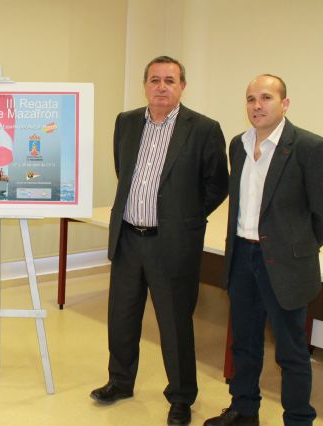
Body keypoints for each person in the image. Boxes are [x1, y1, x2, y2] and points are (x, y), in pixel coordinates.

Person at [89, 56, 228, 426]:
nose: (161, 87)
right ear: (145, 85)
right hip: (128, 239)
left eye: (170, 80)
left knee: (174, 325)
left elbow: (218, 184)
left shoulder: (203, 129)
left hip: (172, 244)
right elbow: (123, 170)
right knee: (121, 317)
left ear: (182, 86)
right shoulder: (126, 122)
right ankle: (120, 382)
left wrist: (186, 218)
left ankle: (181, 398)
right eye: (154, 80)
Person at [204, 75, 321, 426]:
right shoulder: (238, 145)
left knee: (291, 351)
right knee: (244, 342)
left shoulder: (308, 147)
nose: (257, 105)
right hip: (242, 256)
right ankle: (244, 410)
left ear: (284, 104)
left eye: (266, 98)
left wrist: (297, 249)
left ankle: (298, 419)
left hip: (285, 263)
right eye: (251, 98)